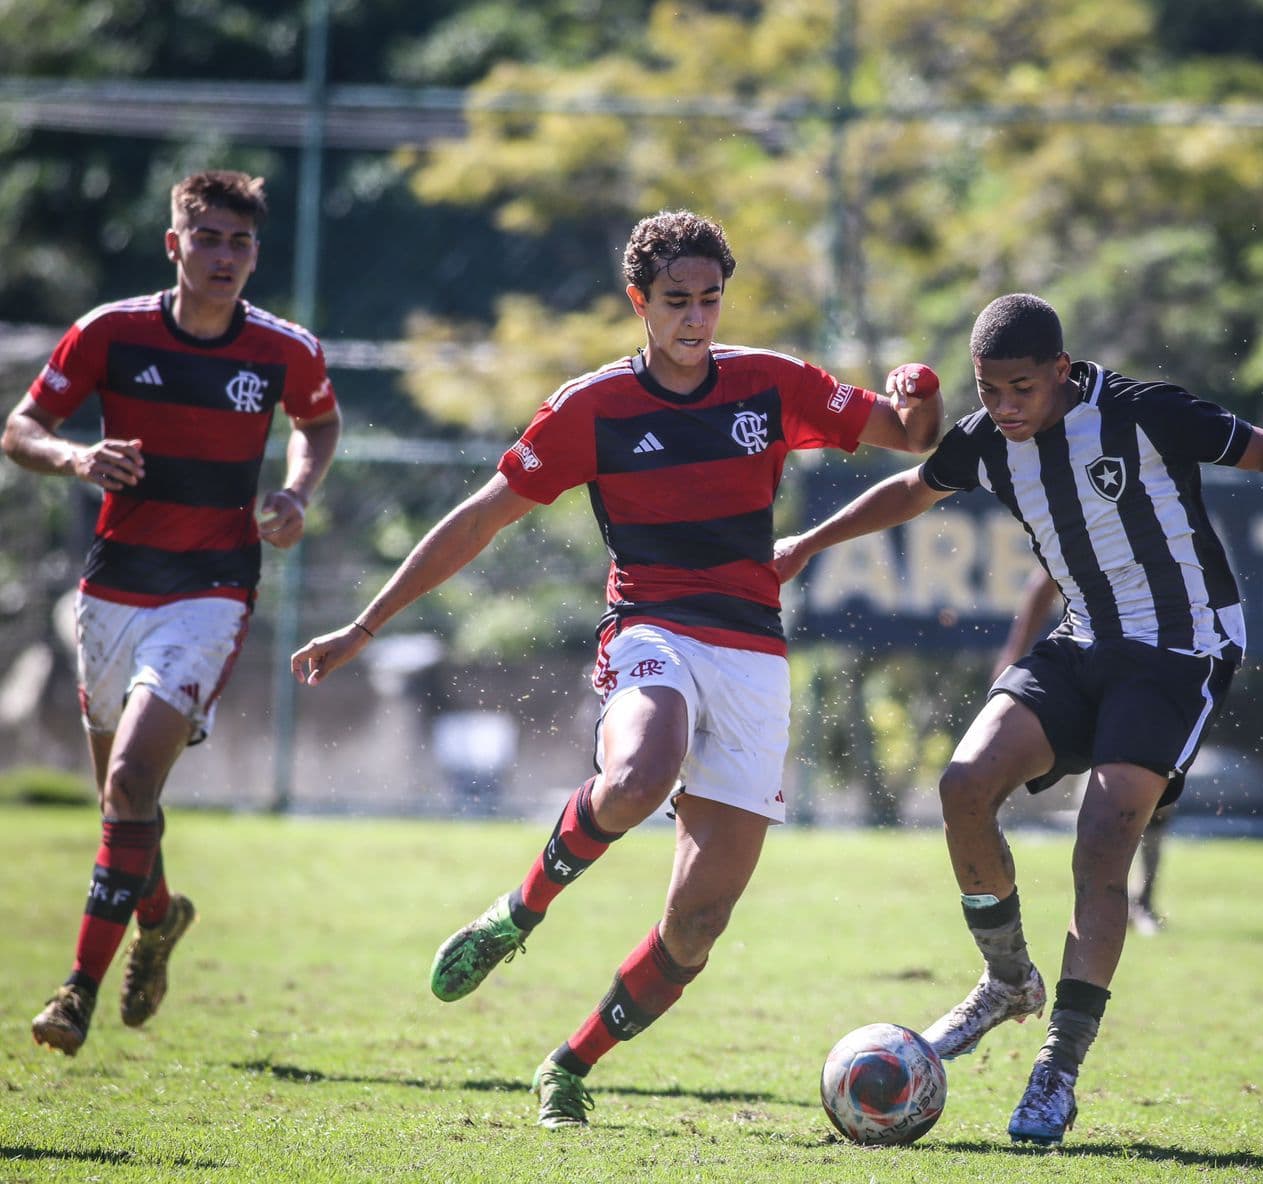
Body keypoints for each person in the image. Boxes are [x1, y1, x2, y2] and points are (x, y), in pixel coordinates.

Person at [289, 210, 942, 1129]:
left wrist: (922, 389)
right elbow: (479, 519)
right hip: (652, 626)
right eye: (676, 300)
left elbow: (909, 434)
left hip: (753, 653)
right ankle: (517, 915)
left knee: (698, 925)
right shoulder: (592, 408)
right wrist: (364, 625)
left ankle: (569, 1063)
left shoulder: (770, 385)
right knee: (639, 771)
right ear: (638, 301)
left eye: (710, 299)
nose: (696, 318)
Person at [775, 292, 1263, 1144]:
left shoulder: (1144, 414)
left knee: (1102, 841)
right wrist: (807, 545)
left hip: (1182, 651)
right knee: (964, 783)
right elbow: (913, 491)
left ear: (1062, 372)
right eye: (988, 389)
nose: (1003, 407)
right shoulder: (989, 439)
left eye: (1022, 389)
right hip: (1084, 642)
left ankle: (1057, 1069)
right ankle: (1006, 983)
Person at [5, 170, 342, 1056]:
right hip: (113, 588)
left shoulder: (283, 349)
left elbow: (319, 423)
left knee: (128, 788)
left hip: (211, 592)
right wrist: (78, 460)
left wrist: (296, 492)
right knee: (123, 805)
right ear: (175, 244)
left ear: (255, 253)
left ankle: (75, 990)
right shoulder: (110, 332)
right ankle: (158, 918)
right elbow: (20, 428)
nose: (226, 256)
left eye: (241, 243)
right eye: (209, 238)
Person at [997, 569, 1169, 936]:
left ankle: (1142, 901)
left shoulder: (1167, 532)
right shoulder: (1093, 526)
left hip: (1158, 669)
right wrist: (1014, 654)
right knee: (1103, 813)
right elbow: (1043, 584)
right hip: (1092, 666)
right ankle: (1096, 910)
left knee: (1156, 798)